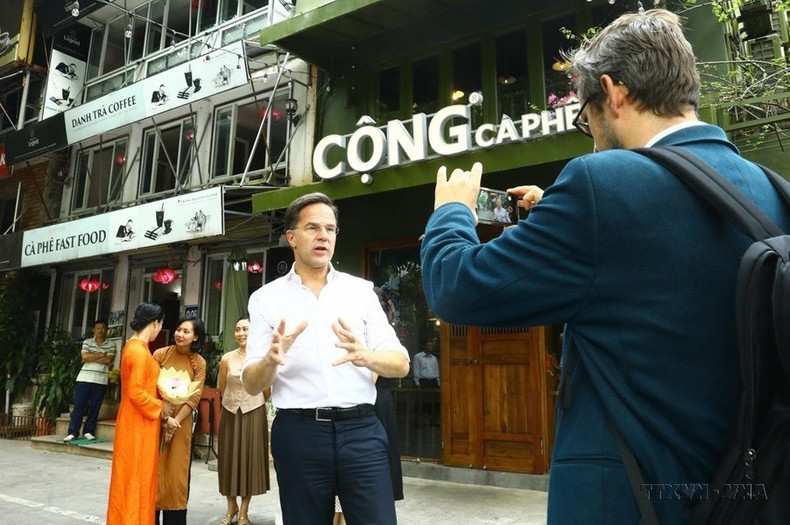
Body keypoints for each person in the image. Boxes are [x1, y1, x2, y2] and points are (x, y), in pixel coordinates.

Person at [419, 9, 790, 525]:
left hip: (633, 504)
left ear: (612, 93)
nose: (587, 132)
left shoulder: (602, 183)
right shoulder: (773, 190)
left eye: (583, 114)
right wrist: (564, 220)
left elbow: (455, 288)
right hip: (750, 499)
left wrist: (450, 213)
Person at [242, 192, 410, 525]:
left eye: (330, 229)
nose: (323, 236)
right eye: (312, 228)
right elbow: (251, 383)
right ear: (291, 237)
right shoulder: (266, 299)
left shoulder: (360, 291)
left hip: (362, 430)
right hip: (299, 433)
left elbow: (401, 362)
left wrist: (366, 355)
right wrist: (271, 361)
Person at [107, 302, 178, 525]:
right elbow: (136, 392)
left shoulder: (133, 346)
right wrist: (161, 407)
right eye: (161, 325)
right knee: (136, 476)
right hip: (138, 423)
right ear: (155, 323)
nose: (159, 329)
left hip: (138, 421)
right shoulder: (138, 351)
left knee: (133, 476)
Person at [153, 316, 207, 525]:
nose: (179, 334)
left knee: (176, 474)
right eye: (178, 329)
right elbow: (150, 388)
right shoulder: (161, 354)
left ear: (196, 337)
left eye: (186, 331)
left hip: (181, 425)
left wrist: (174, 421)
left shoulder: (199, 363)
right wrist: (165, 417)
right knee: (154, 471)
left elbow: (195, 397)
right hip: (156, 419)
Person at [217, 317, 270, 525]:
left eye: (245, 329)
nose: (241, 333)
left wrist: (252, 401)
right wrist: (232, 402)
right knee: (229, 460)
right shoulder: (226, 359)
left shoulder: (261, 358)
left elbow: (266, 390)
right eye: (237, 329)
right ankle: (231, 507)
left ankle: (244, 511)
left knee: (249, 460)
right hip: (230, 412)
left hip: (253, 411)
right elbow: (222, 387)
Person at [64, 319, 116, 442]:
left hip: (100, 380)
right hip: (84, 378)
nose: (100, 330)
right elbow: (84, 357)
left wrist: (93, 356)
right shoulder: (87, 342)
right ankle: (73, 432)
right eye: (98, 328)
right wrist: (101, 354)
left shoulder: (112, 344)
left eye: (103, 328)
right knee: (79, 405)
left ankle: (88, 431)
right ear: (94, 330)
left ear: (106, 330)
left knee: (95, 407)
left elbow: (109, 360)